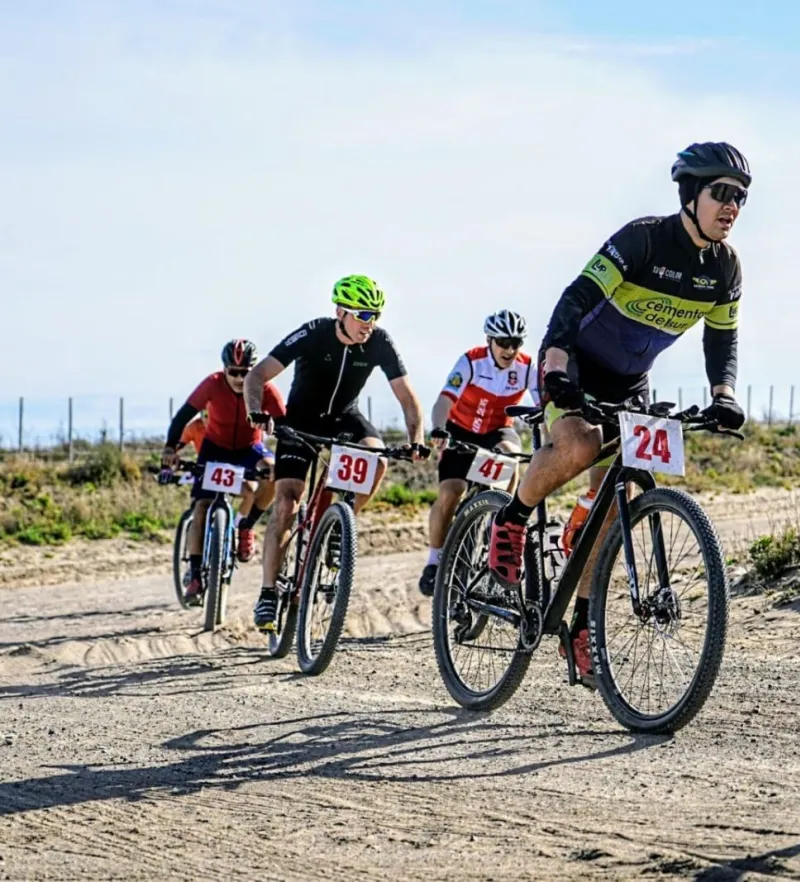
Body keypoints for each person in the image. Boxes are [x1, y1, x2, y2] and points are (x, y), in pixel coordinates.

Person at [487, 141, 751, 680]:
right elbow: (575, 299)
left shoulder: (725, 269)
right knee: (581, 444)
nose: (732, 207)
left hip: (631, 379)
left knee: (620, 497)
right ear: (690, 194)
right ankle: (510, 521)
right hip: (575, 360)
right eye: (722, 193)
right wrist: (557, 362)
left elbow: (722, 340)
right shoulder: (643, 238)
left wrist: (723, 394)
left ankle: (582, 623)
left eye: (741, 198)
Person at [244, 274, 426, 631]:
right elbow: (257, 376)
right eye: (361, 314)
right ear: (340, 311)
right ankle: (268, 592)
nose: (368, 323)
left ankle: (339, 525)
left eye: (375, 315)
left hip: (345, 418)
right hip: (301, 421)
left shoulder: (379, 342)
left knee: (376, 457)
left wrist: (416, 438)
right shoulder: (313, 332)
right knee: (286, 502)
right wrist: (256, 410)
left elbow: (407, 396)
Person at [419, 310, 539, 596]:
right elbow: (443, 401)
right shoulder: (471, 360)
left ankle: (500, 516)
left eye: (515, 342)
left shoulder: (526, 367)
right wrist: (438, 428)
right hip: (459, 430)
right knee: (451, 491)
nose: (510, 350)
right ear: (490, 340)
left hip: (497, 431)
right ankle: (434, 560)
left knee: (511, 455)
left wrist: (549, 441)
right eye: (503, 342)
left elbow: (543, 408)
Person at [161, 339, 286, 603]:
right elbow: (182, 416)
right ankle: (195, 573)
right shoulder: (212, 383)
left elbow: (286, 425)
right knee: (201, 507)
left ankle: (247, 524)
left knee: (275, 471)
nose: (240, 379)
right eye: (234, 372)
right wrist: (170, 448)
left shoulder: (266, 388)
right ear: (224, 369)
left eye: (246, 373)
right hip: (215, 448)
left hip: (250, 448)